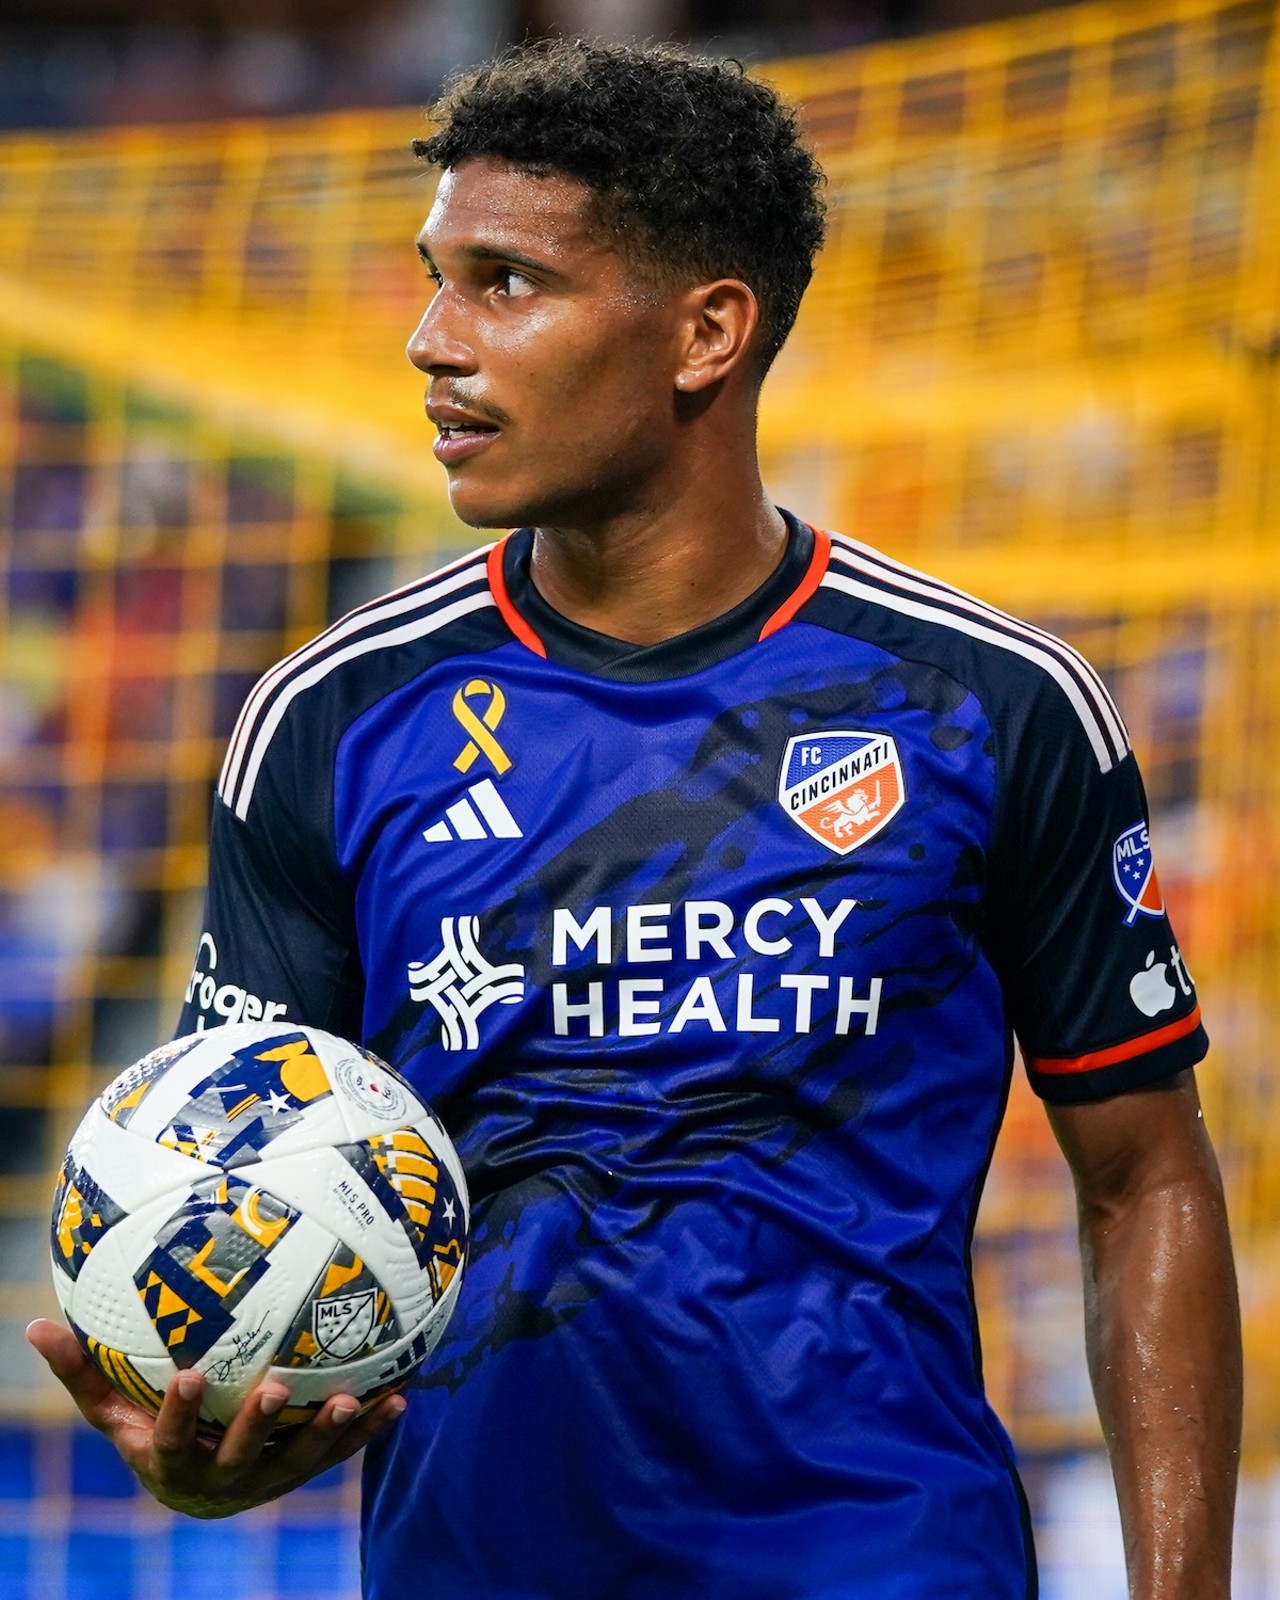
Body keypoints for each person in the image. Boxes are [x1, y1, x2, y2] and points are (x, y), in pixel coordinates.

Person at [30, 38, 1240, 1599]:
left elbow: (1145, 1172)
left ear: (706, 333)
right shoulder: (328, 721)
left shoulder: (988, 704)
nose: (430, 340)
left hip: (885, 1558)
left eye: (506, 283)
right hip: (479, 1565)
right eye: (433, 279)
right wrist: (206, 1443)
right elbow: (233, 1170)